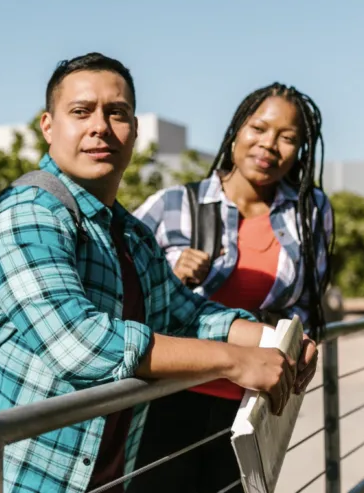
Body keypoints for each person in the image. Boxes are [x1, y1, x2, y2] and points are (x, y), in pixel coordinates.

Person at [0, 54, 319, 493]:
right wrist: (235, 362)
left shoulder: (130, 234)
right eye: (81, 111)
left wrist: (276, 342)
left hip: (101, 480)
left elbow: (186, 314)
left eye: (116, 113)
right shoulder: (28, 214)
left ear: (134, 130)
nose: (100, 126)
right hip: (19, 479)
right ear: (47, 126)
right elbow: (80, 343)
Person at [127, 83, 334, 493]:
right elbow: (120, 287)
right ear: (237, 129)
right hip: (173, 396)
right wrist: (172, 275)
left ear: (302, 150)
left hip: (254, 406)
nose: (269, 145)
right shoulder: (172, 204)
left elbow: (307, 302)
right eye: (258, 128)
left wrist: (302, 342)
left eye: (288, 137)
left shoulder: (311, 211)